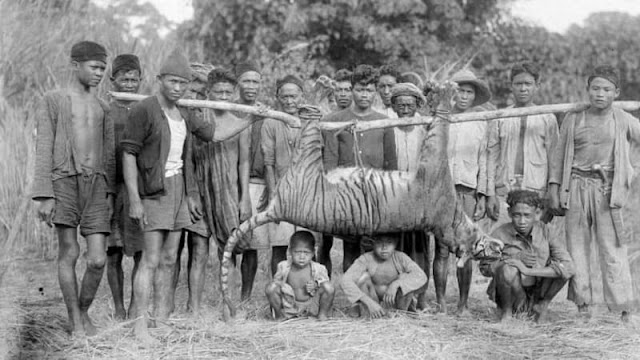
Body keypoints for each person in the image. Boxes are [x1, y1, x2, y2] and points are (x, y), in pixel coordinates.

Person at [121, 49, 254, 343]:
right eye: (173, 82)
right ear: (160, 80)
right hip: (154, 191)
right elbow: (128, 154)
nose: (178, 88)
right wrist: (134, 199)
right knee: (151, 259)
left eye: (183, 83)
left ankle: (160, 319)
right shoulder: (145, 110)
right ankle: (140, 326)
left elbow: (216, 134)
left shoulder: (185, 111)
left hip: (180, 191)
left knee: (170, 258)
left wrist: (253, 117)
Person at [33, 41, 114, 337]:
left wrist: (111, 194)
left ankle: (82, 311)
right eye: (94, 67)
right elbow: (43, 147)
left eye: (103, 69)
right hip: (64, 180)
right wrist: (44, 193)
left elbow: (109, 154)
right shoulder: (53, 99)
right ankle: (75, 321)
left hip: (96, 186)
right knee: (69, 251)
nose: (99, 74)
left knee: (97, 259)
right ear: (74, 65)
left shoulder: (104, 107)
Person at [549, 65, 639, 322]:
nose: (600, 94)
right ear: (588, 90)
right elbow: (558, 157)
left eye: (607, 89)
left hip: (607, 192)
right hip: (576, 187)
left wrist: (629, 172)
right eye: (596, 88)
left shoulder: (622, 119)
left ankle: (623, 310)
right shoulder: (574, 118)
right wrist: (554, 189)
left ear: (616, 92)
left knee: (613, 250)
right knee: (577, 248)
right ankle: (583, 306)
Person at [183, 68, 252, 314]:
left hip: (229, 195)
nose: (222, 96)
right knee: (199, 251)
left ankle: (228, 307)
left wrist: (244, 198)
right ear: (208, 93)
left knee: (228, 252)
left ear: (234, 94)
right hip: (201, 194)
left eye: (227, 91)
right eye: (217, 91)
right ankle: (194, 309)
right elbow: (187, 159)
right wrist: (191, 194)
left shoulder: (241, 122)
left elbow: (243, 162)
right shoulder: (198, 119)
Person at [433, 69, 492, 314]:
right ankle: (440, 302)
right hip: (441, 191)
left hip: (467, 190)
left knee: (465, 248)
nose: (464, 96)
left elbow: (485, 159)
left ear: (474, 95)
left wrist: (483, 195)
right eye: (459, 91)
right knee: (442, 248)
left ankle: (463, 303)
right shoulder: (440, 118)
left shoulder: (481, 123)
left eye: (468, 92)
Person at [322, 64, 392, 272]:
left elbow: (391, 162)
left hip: (375, 192)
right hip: (346, 191)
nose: (364, 95)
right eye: (360, 90)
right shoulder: (334, 121)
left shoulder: (383, 121)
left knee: (374, 245)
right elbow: (330, 161)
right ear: (352, 90)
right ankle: (352, 296)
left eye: (369, 90)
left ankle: (372, 296)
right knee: (350, 245)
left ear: (375, 92)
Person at [479, 190, 574, 322]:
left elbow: (569, 267)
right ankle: (507, 313)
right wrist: (514, 258)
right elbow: (484, 268)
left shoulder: (547, 232)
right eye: (517, 215)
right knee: (508, 269)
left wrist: (528, 270)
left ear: (537, 214)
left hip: (538, 291)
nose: (522, 221)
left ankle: (541, 306)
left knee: (562, 268)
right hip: (511, 292)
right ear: (509, 213)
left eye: (527, 215)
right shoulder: (499, 233)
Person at [486, 62, 559, 229]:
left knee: (535, 244)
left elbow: (554, 159)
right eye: (518, 84)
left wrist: (550, 194)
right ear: (511, 86)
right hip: (504, 190)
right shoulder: (501, 117)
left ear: (537, 86)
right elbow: (491, 157)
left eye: (528, 84)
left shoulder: (547, 117)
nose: (523, 89)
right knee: (503, 242)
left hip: (536, 190)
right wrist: (490, 194)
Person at [262, 74, 322, 275]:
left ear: (302, 96)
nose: (289, 101)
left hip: (309, 193)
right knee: (279, 245)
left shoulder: (312, 121)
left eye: (293, 96)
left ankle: (309, 292)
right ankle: (277, 293)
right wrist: (272, 195)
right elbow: (268, 162)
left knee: (309, 245)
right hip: (282, 192)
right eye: (284, 97)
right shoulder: (271, 122)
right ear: (278, 97)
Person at [171, 62, 214, 314]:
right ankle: (168, 305)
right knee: (173, 251)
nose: (196, 95)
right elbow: (184, 158)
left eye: (202, 90)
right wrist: (190, 193)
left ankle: (194, 307)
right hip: (180, 189)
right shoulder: (177, 111)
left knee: (200, 248)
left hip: (206, 191)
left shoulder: (210, 113)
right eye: (193, 87)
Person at [383, 82, 431, 309]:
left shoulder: (424, 126)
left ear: (416, 105)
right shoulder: (387, 126)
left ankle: (419, 295)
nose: (404, 109)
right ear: (393, 106)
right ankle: (397, 296)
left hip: (418, 190)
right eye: (400, 104)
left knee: (419, 243)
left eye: (409, 105)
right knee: (397, 241)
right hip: (394, 191)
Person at [106, 54, 143, 320]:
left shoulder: (146, 110)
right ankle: (119, 308)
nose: (129, 84)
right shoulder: (105, 111)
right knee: (113, 251)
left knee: (141, 250)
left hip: (140, 191)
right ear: (113, 80)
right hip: (111, 188)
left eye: (134, 79)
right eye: (124, 79)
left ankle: (135, 307)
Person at [234, 60, 267, 300]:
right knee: (226, 239)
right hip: (229, 182)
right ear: (238, 83)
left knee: (251, 243)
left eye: (255, 81)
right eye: (246, 80)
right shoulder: (228, 109)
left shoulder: (266, 113)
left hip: (256, 183)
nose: (251, 86)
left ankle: (245, 296)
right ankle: (226, 292)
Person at [316, 68, 353, 276]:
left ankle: (353, 290)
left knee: (351, 242)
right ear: (334, 92)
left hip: (352, 183)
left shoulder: (361, 116)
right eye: (339, 90)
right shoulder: (327, 116)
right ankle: (323, 285)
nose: (344, 94)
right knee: (324, 241)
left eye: (348, 89)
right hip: (328, 182)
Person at [340, 235, 428, 318]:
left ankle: (400, 314)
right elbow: (345, 280)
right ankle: (370, 313)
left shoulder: (400, 257)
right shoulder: (366, 258)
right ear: (373, 244)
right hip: (373, 303)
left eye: (389, 243)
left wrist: (397, 284)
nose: (384, 248)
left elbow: (421, 276)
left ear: (395, 244)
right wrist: (368, 302)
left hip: (396, 304)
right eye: (379, 243)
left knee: (405, 277)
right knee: (363, 278)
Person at [265, 231, 335, 320]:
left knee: (328, 287)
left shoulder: (319, 268)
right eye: (297, 253)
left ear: (313, 253)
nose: (302, 257)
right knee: (271, 287)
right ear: (290, 252)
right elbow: (276, 284)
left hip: (312, 306)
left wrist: (316, 284)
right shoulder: (283, 267)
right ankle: (280, 317)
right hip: (290, 306)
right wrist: (283, 287)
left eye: (306, 253)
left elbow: (327, 286)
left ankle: (322, 315)